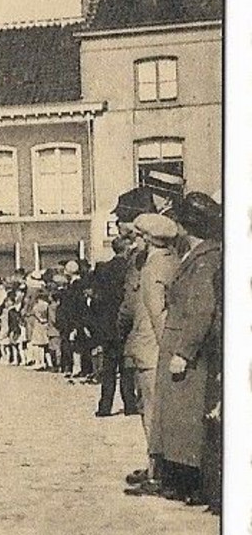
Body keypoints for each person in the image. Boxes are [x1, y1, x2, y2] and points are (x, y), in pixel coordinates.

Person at [154, 193, 222, 508]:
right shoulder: (196, 255)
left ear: (186, 226)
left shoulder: (205, 258)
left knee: (187, 419)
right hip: (179, 343)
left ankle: (193, 485)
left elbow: (202, 309)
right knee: (179, 417)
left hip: (187, 349)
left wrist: (185, 351)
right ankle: (183, 482)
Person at [123, 213, 182, 497]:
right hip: (161, 347)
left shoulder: (151, 268)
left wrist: (165, 349)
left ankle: (158, 473)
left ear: (147, 239)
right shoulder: (174, 261)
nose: (135, 242)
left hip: (152, 348)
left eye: (138, 237)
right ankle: (158, 468)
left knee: (151, 412)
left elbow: (157, 314)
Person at [90, 236, 139, 416]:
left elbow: (95, 300)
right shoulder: (129, 269)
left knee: (108, 368)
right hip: (125, 324)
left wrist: (100, 322)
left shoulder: (103, 269)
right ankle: (130, 404)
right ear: (126, 249)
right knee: (127, 367)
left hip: (107, 326)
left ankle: (104, 407)